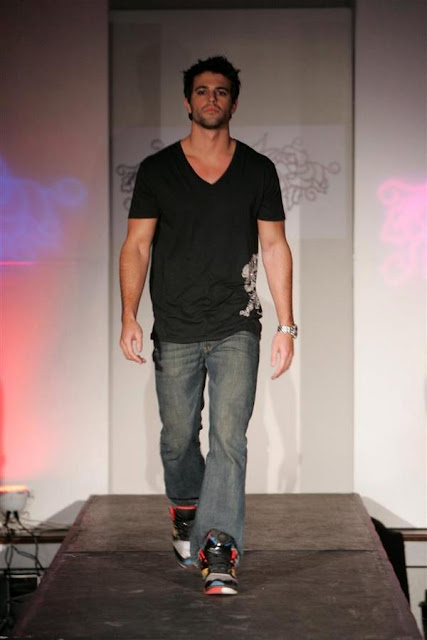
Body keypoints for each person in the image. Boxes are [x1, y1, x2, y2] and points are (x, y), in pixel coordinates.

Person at [119, 55, 296, 596]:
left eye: (221, 91)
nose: (211, 99)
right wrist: (128, 314)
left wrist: (287, 325)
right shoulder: (158, 170)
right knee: (177, 440)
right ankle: (186, 508)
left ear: (233, 102)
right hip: (174, 325)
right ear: (188, 101)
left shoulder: (257, 170)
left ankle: (219, 547)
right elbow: (137, 244)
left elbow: (274, 245)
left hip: (236, 323)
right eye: (202, 91)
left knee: (228, 437)